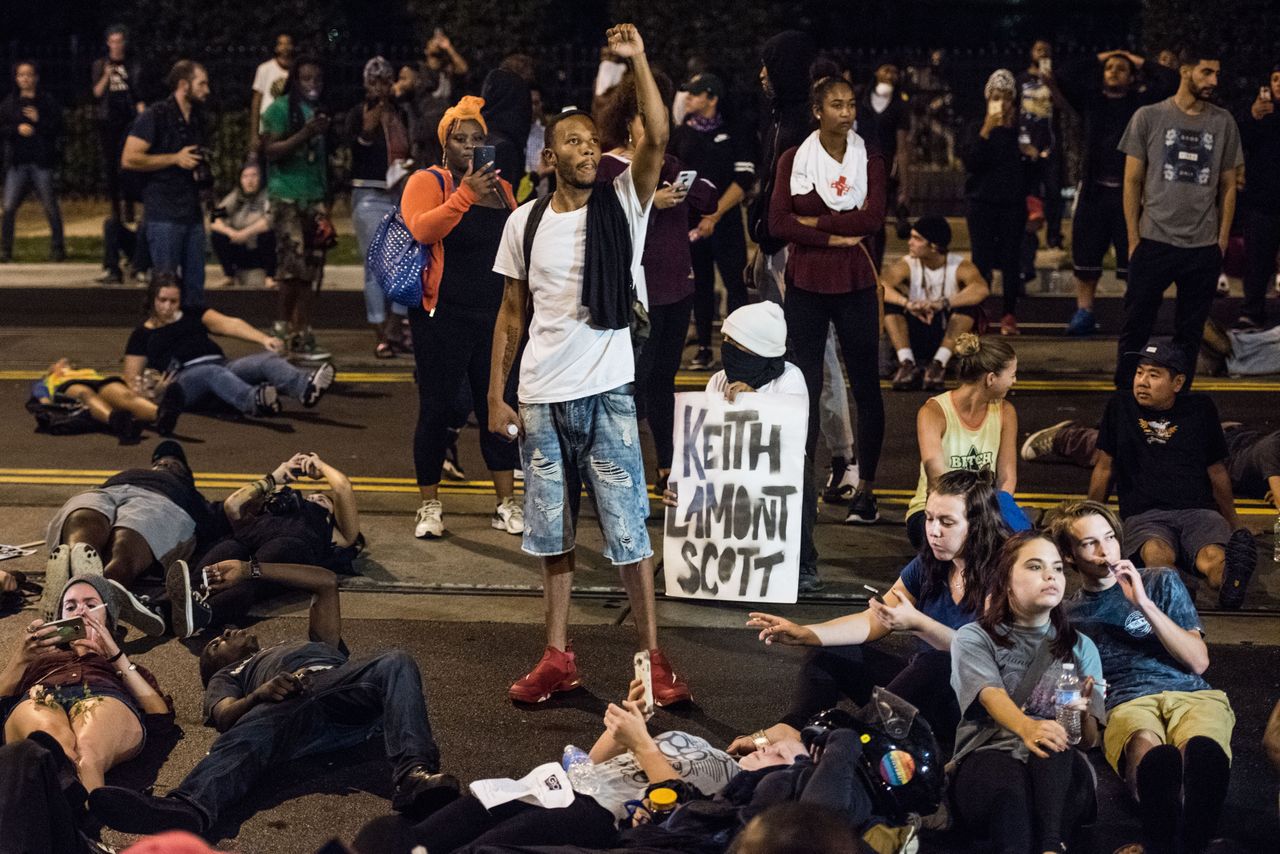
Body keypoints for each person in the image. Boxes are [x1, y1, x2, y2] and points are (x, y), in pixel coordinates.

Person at [487, 24, 690, 707]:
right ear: (547, 157)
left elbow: (657, 138)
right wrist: (497, 395)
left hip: (606, 394)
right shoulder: (526, 221)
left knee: (630, 532)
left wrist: (638, 61)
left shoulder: (624, 205)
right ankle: (556, 656)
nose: (585, 150)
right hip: (541, 397)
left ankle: (653, 660)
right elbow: (511, 314)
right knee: (552, 536)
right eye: (571, 142)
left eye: (590, 142)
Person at [87, 555, 460, 836]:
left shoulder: (318, 646)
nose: (226, 632)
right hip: (287, 715)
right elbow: (225, 715)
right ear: (215, 666)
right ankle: (188, 809)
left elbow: (326, 583)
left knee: (395, 661)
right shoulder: (228, 675)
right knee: (250, 729)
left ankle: (413, 774)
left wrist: (251, 570)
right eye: (216, 644)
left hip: (341, 693)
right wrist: (260, 695)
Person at [737, 468, 1007, 755]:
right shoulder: (932, 561)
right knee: (831, 652)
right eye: (928, 518)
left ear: (976, 524)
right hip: (919, 690)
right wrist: (806, 633)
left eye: (947, 522)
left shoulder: (1004, 570)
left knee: (936, 664)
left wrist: (918, 624)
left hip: (971, 708)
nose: (933, 530)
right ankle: (793, 727)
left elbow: (985, 657)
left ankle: (842, 741)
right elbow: (875, 620)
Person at [352, 679, 765, 853]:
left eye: (777, 750)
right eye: (766, 741)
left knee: (481, 850)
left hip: (596, 812)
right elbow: (589, 767)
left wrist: (643, 744)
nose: (766, 746)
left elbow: (680, 813)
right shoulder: (696, 743)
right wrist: (624, 727)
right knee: (413, 836)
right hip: (553, 785)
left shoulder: (737, 785)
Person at [1048, 501, 1236, 854]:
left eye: (1109, 537)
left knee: (1200, 749)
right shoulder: (1068, 614)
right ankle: (1175, 829)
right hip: (1126, 701)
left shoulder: (1160, 580)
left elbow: (1198, 662)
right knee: (1148, 751)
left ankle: (1188, 828)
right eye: (1091, 543)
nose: (1106, 550)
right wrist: (1079, 710)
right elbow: (1071, 695)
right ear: (1070, 557)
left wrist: (1144, 604)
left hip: (1191, 692)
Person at [400, 95, 522, 540]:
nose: (470, 146)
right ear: (445, 145)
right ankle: (429, 505)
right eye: (461, 139)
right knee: (436, 408)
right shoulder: (429, 181)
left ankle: (506, 502)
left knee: (498, 404)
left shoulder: (504, 189)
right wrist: (465, 196)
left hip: (493, 315)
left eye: (478, 139)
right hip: (441, 315)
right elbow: (422, 229)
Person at [768, 75, 887, 526]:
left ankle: (868, 489)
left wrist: (811, 220)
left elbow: (873, 217)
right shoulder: (793, 159)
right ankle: (802, 488)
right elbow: (779, 221)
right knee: (806, 387)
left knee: (866, 387)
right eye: (836, 104)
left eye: (851, 103)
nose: (846, 111)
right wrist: (836, 230)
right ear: (817, 111)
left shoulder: (869, 157)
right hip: (806, 285)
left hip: (856, 281)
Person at [949, 531, 1106, 854]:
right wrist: (1028, 727)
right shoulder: (974, 638)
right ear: (1006, 581)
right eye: (1035, 567)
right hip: (990, 756)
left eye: (1058, 568)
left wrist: (1080, 714)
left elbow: (1087, 741)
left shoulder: (1080, 647)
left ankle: (1051, 846)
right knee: (1010, 790)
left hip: (1057, 772)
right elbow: (990, 693)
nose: (1051, 575)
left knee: (1056, 747)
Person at [598, 74, 717, 493]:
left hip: (676, 284)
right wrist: (652, 198)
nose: (653, 129)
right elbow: (607, 213)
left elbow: (708, 195)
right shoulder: (609, 166)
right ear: (628, 123)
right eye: (645, 120)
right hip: (638, 290)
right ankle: (618, 466)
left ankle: (667, 468)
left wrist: (681, 189)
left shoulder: (669, 162)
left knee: (663, 379)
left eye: (659, 120)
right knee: (634, 381)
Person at [1087, 341, 1254, 608]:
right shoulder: (1120, 406)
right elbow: (1105, 467)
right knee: (1156, 552)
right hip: (1145, 514)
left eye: (1154, 375)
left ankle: (1228, 582)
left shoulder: (1200, 408)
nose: (1142, 382)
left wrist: (1234, 524)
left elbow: (1217, 470)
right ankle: (1178, 589)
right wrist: (1089, 519)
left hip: (1199, 511)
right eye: (1139, 372)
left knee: (1213, 556)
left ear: (1177, 383)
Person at [663, 302, 817, 589]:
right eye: (725, 340)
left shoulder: (789, 378)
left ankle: (804, 562)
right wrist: (683, 484)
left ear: (756, 346)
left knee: (802, 475)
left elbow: (790, 437)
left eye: (735, 342)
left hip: (772, 476)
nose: (726, 347)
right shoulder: (718, 380)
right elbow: (706, 443)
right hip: (730, 474)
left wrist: (753, 399)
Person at [1115, 45, 1243, 389]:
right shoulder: (1149, 117)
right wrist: (1133, 238)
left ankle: (1177, 401)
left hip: (1202, 245)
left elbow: (1229, 185)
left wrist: (1221, 238)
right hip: (1154, 239)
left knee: (1189, 332)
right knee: (1136, 326)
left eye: (1217, 73)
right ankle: (1127, 397)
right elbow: (1132, 181)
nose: (1214, 80)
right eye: (1206, 72)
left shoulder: (1222, 122)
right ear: (1185, 71)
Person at [1, 575, 172, 791]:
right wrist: (20, 658)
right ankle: (81, 812)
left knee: (87, 752)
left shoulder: (124, 667)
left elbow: (160, 716)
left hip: (102, 693)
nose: (80, 612)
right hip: (42, 694)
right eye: (70, 606)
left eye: (90, 605)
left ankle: (70, 812)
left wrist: (117, 658)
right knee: (50, 742)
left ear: (109, 620)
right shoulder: (38, 659)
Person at [40, 441, 228, 636]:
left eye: (175, 463)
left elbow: (227, 512)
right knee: (84, 518)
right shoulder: (131, 473)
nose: (166, 463)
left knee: (124, 549)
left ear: (187, 474)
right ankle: (85, 587)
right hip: (108, 492)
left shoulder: (193, 496)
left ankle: (73, 605)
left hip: (161, 501)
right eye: (161, 461)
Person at [1055, 50, 1178, 336]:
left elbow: (1171, 82)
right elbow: (1063, 75)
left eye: (1120, 68)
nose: (1113, 71)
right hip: (1094, 191)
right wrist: (1101, 56)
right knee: (1086, 256)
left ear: (1131, 77)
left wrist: (1138, 61)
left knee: (1132, 257)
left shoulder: (1140, 104)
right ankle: (1084, 313)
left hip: (1129, 193)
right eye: (1109, 68)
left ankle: (1133, 313)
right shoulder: (1091, 100)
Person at [124, 274, 334, 418]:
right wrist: (154, 392)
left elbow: (229, 324)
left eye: (174, 301)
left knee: (266, 360)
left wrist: (264, 339)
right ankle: (254, 401)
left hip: (222, 365)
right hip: (183, 380)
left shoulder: (192, 313)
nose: (168, 306)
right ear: (152, 299)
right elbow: (131, 381)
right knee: (211, 372)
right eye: (163, 300)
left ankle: (304, 388)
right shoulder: (142, 334)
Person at [190, 452, 360, 629]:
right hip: (250, 536)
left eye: (322, 500)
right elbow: (232, 505)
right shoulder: (268, 512)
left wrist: (320, 466)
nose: (312, 498)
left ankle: (207, 614)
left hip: (291, 543)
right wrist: (275, 477)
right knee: (211, 567)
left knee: (251, 578)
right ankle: (166, 610)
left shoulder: (335, 533)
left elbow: (342, 487)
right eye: (310, 497)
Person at [903, 333, 1028, 549]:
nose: (1014, 381)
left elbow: (1007, 479)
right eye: (1012, 375)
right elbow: (938, 481)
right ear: (991, 378)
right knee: (971, 544)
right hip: (936, 512)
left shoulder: (1006, 412)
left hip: (985, 509)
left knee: (1025, 544)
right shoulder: (933, 412)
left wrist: (990, 517)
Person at [672, 71, 754, 370]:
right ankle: (704, 347)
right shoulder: (682, 133)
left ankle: (739, 347)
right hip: (691, 223)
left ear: (711, 98)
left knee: (735, 283)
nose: (688, 99)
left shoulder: (735, 131)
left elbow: (744, 177)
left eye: (695, 94)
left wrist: (715, 214)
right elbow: (674, 174)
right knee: (699, 285)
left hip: (726, 222)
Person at [1024, 418, 1280, 512]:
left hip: (1234, 440)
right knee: (1134, 451)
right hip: (1211, 446)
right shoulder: (1273, 449)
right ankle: (1067, 438)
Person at [121, 60, 211, 308]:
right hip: (164, 211)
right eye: (201, 83)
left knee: (194, 287)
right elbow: (129, 158)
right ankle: (161, 338)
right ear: (184, 85)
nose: (207, 89)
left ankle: (192, 339)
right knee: (165, 286)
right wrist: (174, 158)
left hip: (190, 210)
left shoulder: (197, 119)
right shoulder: (156, 115)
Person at [261, 55, 333, 361]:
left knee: (312, 269)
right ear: (295, 81)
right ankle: (287, 330)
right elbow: (270, 151)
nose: (312, 85)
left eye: (317, 79)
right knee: (293, 267)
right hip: (287, 197)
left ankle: (299, 332)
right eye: (305, 79)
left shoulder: (314, 111)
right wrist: (305, 133)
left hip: (312, 198)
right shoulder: (279, 110)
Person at [345, 56, 412, 358]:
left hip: (397, 193)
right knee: (376, 265)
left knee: (405, 261)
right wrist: (377, 108)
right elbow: (362, 140)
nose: (381, 87)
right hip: (369, 194)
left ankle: (396, 326)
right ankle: (380, 331)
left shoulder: (401, 112)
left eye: (385, 80)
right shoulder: (359, 113)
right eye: (374, 81)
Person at [962, 69, 1032, 337]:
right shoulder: (975, 127)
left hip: (1011, 203)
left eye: (1006, 98)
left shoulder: (1019, 131)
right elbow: (971, 162)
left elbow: (1031, 167)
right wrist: (986, 130)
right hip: (981, 202)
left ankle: (1009, 313)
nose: (1001, 103)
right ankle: (981, 312)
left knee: (1011, 259)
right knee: (981, 259)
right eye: (995, 97)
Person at [882, 216, 989, 390]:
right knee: (890, 305)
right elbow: (881, 286)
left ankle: (938, 364)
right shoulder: (907, 263)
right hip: (915, 330)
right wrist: (908, 304)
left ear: (934, 246)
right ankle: (906, 363)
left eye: (917, 239)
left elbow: (981, 289)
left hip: (945, 331)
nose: (910, 243)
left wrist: (943, 303)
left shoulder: (959, 265)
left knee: (969, 307)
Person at [93, 24, 145, 285]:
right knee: (112, 171)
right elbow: (96, 93)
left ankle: (129, 209)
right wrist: (105, 74)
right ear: (107, 44)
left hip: (127, 120)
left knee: (129, 169)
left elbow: (137, 93)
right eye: (112, 41)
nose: (117, 46)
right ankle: (116, 211)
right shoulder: (101, 64)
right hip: (108, 121)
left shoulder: (133, 64)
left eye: (120, 41)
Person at [0, 61, 65, 262]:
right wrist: (16, 130)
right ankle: (6, 250)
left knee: (49, 205)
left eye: (29, 75)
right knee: (9, 207)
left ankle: (58, 248)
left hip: (40, 162)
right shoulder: (10, 103)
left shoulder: (46, 101)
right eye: (21, 75)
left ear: (36, 77)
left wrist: (39, 121)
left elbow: (57, 127)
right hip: (18, 163)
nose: (25, 79)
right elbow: (3, 128)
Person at [31, 357, 184, 441]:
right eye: (59, 363)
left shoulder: (87, 372)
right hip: (69, 387)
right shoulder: (48, 380)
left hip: (99, 384)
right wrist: (47, 404)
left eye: (67, 363)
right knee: (86, 395)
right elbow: (41, 396)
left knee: (125, 396)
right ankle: (117, 421)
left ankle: (161, 416)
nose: (64, 363)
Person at [1237, 63, 1280, 330]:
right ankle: (1252, 311)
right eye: (1275, 79)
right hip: (1263, 202)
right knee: (1257, 262)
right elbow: (1242, 141)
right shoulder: (1260, 115)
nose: (1278, 84)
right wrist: (1253, 117)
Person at [856, 61, 911, 267]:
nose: (891, 75)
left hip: (884, 169)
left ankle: (874, 268)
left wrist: (905, 187)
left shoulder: (899, 105)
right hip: (858, 166)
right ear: (877, 71)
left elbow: (903, 147)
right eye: (886, 69)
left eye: (895, 71)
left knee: (877, 222)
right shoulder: (862, 99)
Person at [1016, 40, 1067, 251]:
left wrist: (1051, 84)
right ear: (1031, 53)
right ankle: (1027, 235)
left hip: (1050, 143)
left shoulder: (1055, 79)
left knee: (1054, 191)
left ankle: (1054, 235)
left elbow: (1063, 106)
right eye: (1038, 49)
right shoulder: (1021, 79)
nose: (1042, 53)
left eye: (1046, 50)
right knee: (1026, 191)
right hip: (1026, 143)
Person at [209, 162, 274, 288]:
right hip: (240, 245)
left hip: (259, 247)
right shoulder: (235, 197)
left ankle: (270, 277)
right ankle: (229, 276)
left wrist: (246, 233)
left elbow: (269, 221)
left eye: (254, 176)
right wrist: (230, 232)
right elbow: (214, 219)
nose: (250, 180)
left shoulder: (267, 196)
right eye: (245, 176)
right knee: (217, 235)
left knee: (267, 235)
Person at [248, 33, 293, 151]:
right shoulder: (265, 69)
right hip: (267, 126)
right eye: (281, 44)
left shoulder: (295, 71)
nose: (285, 47)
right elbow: (257, 100)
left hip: (288, 125)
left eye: (288, 43)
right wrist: (254, 134)